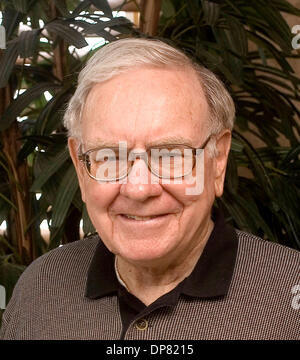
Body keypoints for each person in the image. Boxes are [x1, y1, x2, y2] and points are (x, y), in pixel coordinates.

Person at [0, 38, 299, 340]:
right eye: (110, 157)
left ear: (218, 160)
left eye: (170, 154)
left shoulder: (291, 301)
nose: (139, 188)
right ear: (81, 168)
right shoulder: (38, 289)